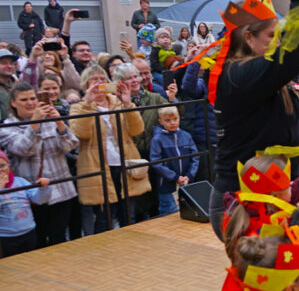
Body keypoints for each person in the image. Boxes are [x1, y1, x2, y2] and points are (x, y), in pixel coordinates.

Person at [210, 0, 299, 238]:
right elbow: (294, 54)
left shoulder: (250, 72)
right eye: (272, 36)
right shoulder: (238, 76)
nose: (278, 42)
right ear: (248, 38)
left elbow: (294, 50)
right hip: (242, 201)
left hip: (269, 191)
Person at [69, 66, 150, 233]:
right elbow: (81, 134)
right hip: (97, 166)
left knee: (128, 215)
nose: (99, 83)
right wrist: (87, 104)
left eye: (102, 79)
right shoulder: (78, 107)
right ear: (86, 85)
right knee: (104, 218)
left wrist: (127, 103)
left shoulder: (118, 103)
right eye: (94, 79)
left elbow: (137, 130)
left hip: (124, 163)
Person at [0, 83, 78, 247]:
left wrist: (59, 123)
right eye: (24, 100)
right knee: (39, 242)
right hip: (33, 194)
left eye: (32, 98)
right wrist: (34, 123)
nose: (30, 103)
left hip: (61, 189)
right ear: (13, 103)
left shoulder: (48, 119)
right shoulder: (7, 127)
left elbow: (70, 146)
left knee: (59, 239)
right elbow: (23, 149)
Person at [149, 106, 199, 216]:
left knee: (189, 212)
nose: (172, 123)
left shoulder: (186, 136)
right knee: (169, 213)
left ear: (179, 118)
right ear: (160, 121)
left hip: (187, 182)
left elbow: (195, 157)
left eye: (175, 119)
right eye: (167, 120)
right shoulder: (157, 139)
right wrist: (174, 177)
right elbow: (156, 162)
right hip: (167, 186)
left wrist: (190, 175)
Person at [0, 148, 51, 256]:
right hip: (5, 237)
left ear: (9, 166)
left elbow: (39, 199)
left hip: (29, 232)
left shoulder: (20, 182)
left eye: (2, 166)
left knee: (30, 259)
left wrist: (43, 188)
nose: (0, 170)